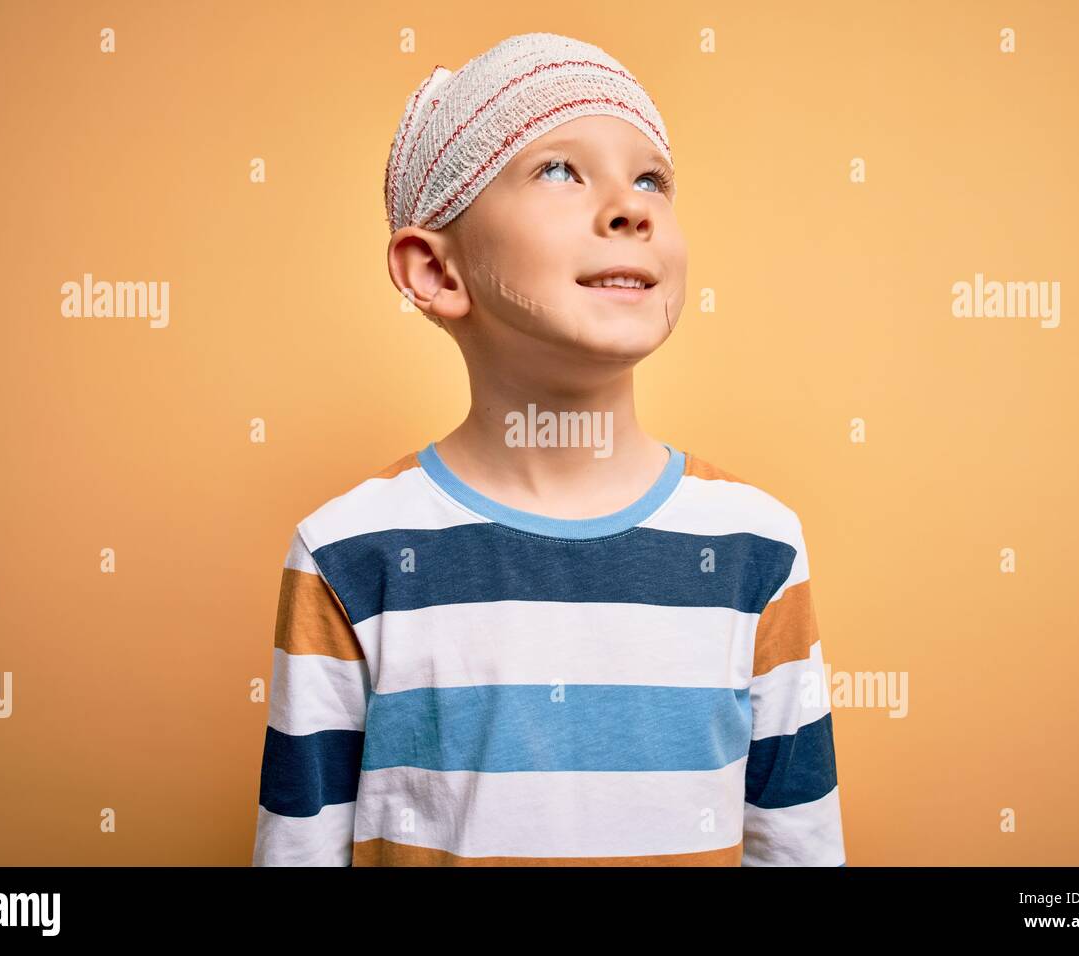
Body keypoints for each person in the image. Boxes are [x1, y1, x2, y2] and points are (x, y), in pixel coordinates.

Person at [251, 31, 845, 867]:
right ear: (435, 271)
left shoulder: (756, 546)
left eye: (651, 178)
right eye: (559, 169)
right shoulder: (350, 553)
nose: (631, 207)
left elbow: (799, 846)